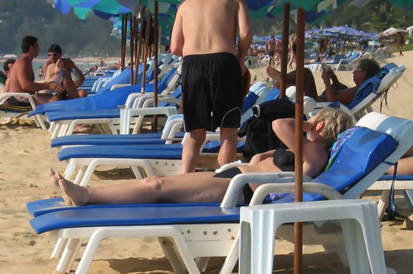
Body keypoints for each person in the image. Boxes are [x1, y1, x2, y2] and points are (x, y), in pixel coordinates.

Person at [52, 108, 352, 207]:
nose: (310, 118)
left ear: (322, 125)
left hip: (241, 189)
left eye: (316, 118)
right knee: (158, 184)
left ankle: (88, 195)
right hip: (236, 177)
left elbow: (279, 125)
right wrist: (261, 158)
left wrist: (307, 126)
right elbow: (265, 153)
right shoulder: (305, 149)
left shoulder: (316, 151)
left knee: (157, 186)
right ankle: (88, 194)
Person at [170, 0, 252, 174]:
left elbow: (175, 46)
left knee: (195, 134)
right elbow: (245, 33)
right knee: (228, 134)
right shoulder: (235, 1)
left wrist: (195, 52)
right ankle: (221, 180)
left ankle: (185, 178)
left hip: (192, 64)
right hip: (224, 62)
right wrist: (240, 58)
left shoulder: (184, 6)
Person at [4, 35, 64, 106]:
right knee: (56, 100)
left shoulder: (27, 62)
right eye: (37, 46)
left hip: (25, 97)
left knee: (58, 97)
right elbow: (25, 85)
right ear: (31, 48)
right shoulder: (22, 63)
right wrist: (48, 85)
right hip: (19, 100)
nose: (39, 48)